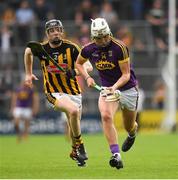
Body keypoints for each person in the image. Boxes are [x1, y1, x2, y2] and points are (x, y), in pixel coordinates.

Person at [24, 19, 93, 167]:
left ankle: (75, 151)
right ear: (47, 34)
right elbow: (28, 51)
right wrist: (28, 74)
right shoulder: (41, 49)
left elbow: (89, 66)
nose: (55, 32)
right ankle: (81, 146)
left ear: (62, 31)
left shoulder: (72, 48)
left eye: (58, 30)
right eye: (52, 31)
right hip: (53, 92)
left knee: (74, 124)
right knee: (73, 111)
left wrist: (74, 72)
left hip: (74, 92)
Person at [76, 18, 139, 169]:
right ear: (93, 37)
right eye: (99, 38)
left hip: (127, 88)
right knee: (106, 115)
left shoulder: (120, 47)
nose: (103, 40)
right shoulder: (88, 49)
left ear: (109, 33)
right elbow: (78, 63)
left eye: (105, 36)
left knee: (129, 125)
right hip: (107, 88)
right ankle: (116, 155)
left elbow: (126, 75)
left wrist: (115, 87)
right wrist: (87, 77)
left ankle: (132, 133)